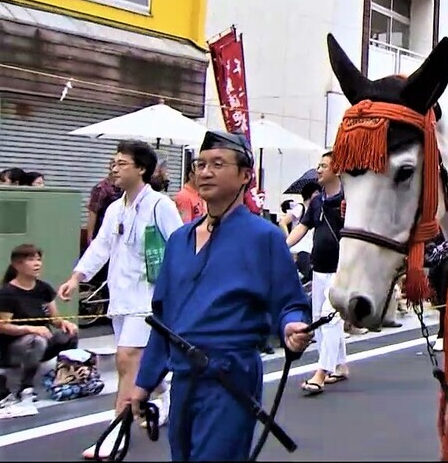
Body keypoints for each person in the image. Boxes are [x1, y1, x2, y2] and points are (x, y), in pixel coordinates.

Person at [129, 130, 312, 461]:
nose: (205, 172)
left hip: (231, 374)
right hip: (183, 377)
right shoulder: (179, 240)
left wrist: (291, 327)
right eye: (200, 164)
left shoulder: (265, 238)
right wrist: (143, 383)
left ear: (245, 175)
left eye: (217, 164)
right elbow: (163, 319)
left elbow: (291, 303)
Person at [57, 140, 184, 459]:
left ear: (141, 169)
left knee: (127, 360)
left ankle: (116, 432)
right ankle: (164, 391)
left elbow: (181, 247)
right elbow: (100, 247)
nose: (113, 168)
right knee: (137, 364)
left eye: (121, 163)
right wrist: (77, 277)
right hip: (121, 298)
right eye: (112, 163)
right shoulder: (115, 209)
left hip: (150, 299)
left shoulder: (160, 206)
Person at [286, 152, 356, 395]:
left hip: (341, 269)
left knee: (329, 318)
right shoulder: (317, 202)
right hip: (320, 268)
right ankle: (340, 365)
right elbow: (302, 229)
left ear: (337, 170)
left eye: (324, 166)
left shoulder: (350, 199)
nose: (318, 169)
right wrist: (282, 246)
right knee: (320, 318)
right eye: (318, 165)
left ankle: (321, 372)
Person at [0, 244, 79, 406]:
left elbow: (54, 319)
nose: (37, 263)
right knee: (36, 340)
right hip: (14, 349)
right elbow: (2, 326)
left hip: (41, 344)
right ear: (17, 265)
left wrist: (65, 323)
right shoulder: (7, 293)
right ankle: (25, 387)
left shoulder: (43, 288)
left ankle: (65, 377)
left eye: (39, 259)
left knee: (69, 334)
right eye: (31, 260)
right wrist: (30, 329)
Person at [174, 157, 206, 223]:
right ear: (191, 176)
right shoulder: (184, 196)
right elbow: (186, 225)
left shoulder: (202, 194)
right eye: (200, 174)